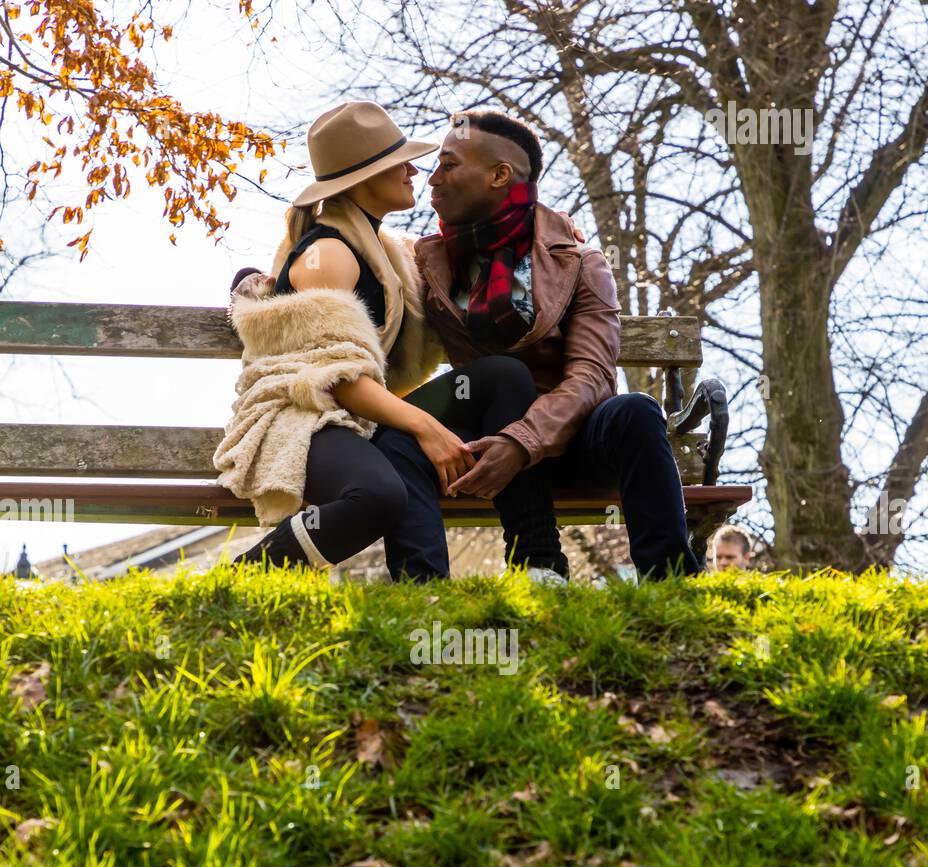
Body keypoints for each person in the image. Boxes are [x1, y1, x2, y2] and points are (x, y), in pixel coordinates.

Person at [374, 109, 703, 584]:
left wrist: (522, 441)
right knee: (487, 386)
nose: (432, 177)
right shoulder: (427, 260)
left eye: (448, 164)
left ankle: (672, 582)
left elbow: (591, 377)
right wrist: (264, 286)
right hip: (479, 439)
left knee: (637, 411)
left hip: (571, 440)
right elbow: (355, 267)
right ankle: (505, 569)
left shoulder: (580, 263)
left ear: (499, 175)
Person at [218, 100, 538, 572]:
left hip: (360, 413)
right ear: (362, 178)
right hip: (304, 413)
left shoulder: (387, 253)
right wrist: (426, 427)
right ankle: (244, 576)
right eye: (397, 162)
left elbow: (471, 253)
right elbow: (335, 377)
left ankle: (536, 561)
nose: (414, 170)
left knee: (502, 377)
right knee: (377, 495)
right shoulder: (330, 252)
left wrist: (547, 228)